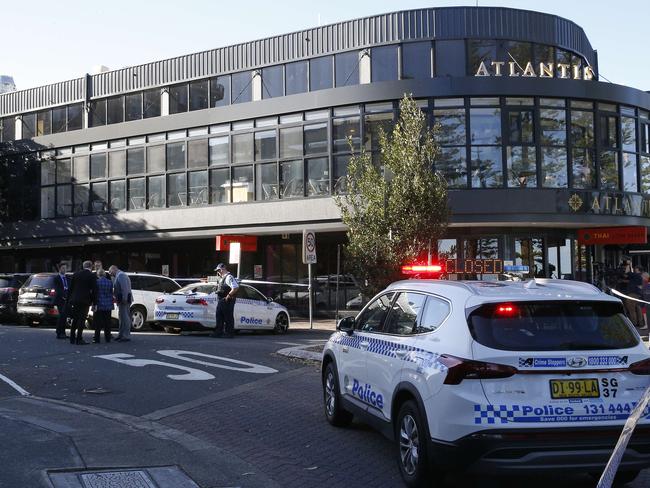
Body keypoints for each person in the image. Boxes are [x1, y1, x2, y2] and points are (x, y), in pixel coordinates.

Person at [67, 261, 97, 345]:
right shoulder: (91, 276)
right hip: (85, 300)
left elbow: (71, 288)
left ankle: (72, 337)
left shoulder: (76, 274)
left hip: (75, 300)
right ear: (91, 267)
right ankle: (79, 338)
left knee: (75, 319)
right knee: (82, 319)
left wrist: (68, 300)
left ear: (83, 266)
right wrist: (94, 303)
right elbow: (94, 290)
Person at [211, 263, 239, 338]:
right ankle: (218, 332)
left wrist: (228, 296)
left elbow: (235, 287)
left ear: (222, 269)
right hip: (221, 299)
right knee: (219, 316)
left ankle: (229, 333)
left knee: (228, 317)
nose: (218, 272)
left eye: (219, 270)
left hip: (227, 300)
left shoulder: (229, 277)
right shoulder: (222, 277)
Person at [109, 265, 132, 342]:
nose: (110, 273)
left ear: (114, 269)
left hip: (123, 300)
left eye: (110, 271)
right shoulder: (120, 275)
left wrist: (124, 299)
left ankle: (125, 336)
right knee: (122, 317)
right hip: (122, 300)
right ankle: (121, 335)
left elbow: (124, 288)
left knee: (125, 318)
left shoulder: (121, 275)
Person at [93, 268, 114, 343]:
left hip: (99, 304)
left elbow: (95, 293)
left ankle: (97, 338)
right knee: (107, 323)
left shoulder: (96, 282)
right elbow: (111, 292)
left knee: (98, 323)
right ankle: (107, 338)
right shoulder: (110, 282)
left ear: (98, 275)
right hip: (108, 304)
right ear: (105, 274)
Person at [54, 263, 70, 339]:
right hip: (60, 299)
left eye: (65, 268)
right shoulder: (56, 278)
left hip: (67, 299)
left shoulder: (67, 277)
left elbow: (69, 287)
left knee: (64, 316)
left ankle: (63, 332)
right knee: (62, 315)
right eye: (63, 268)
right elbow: (58, 290)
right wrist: (64, 296)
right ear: (60, 269)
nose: (64, 270)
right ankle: (59, 332)